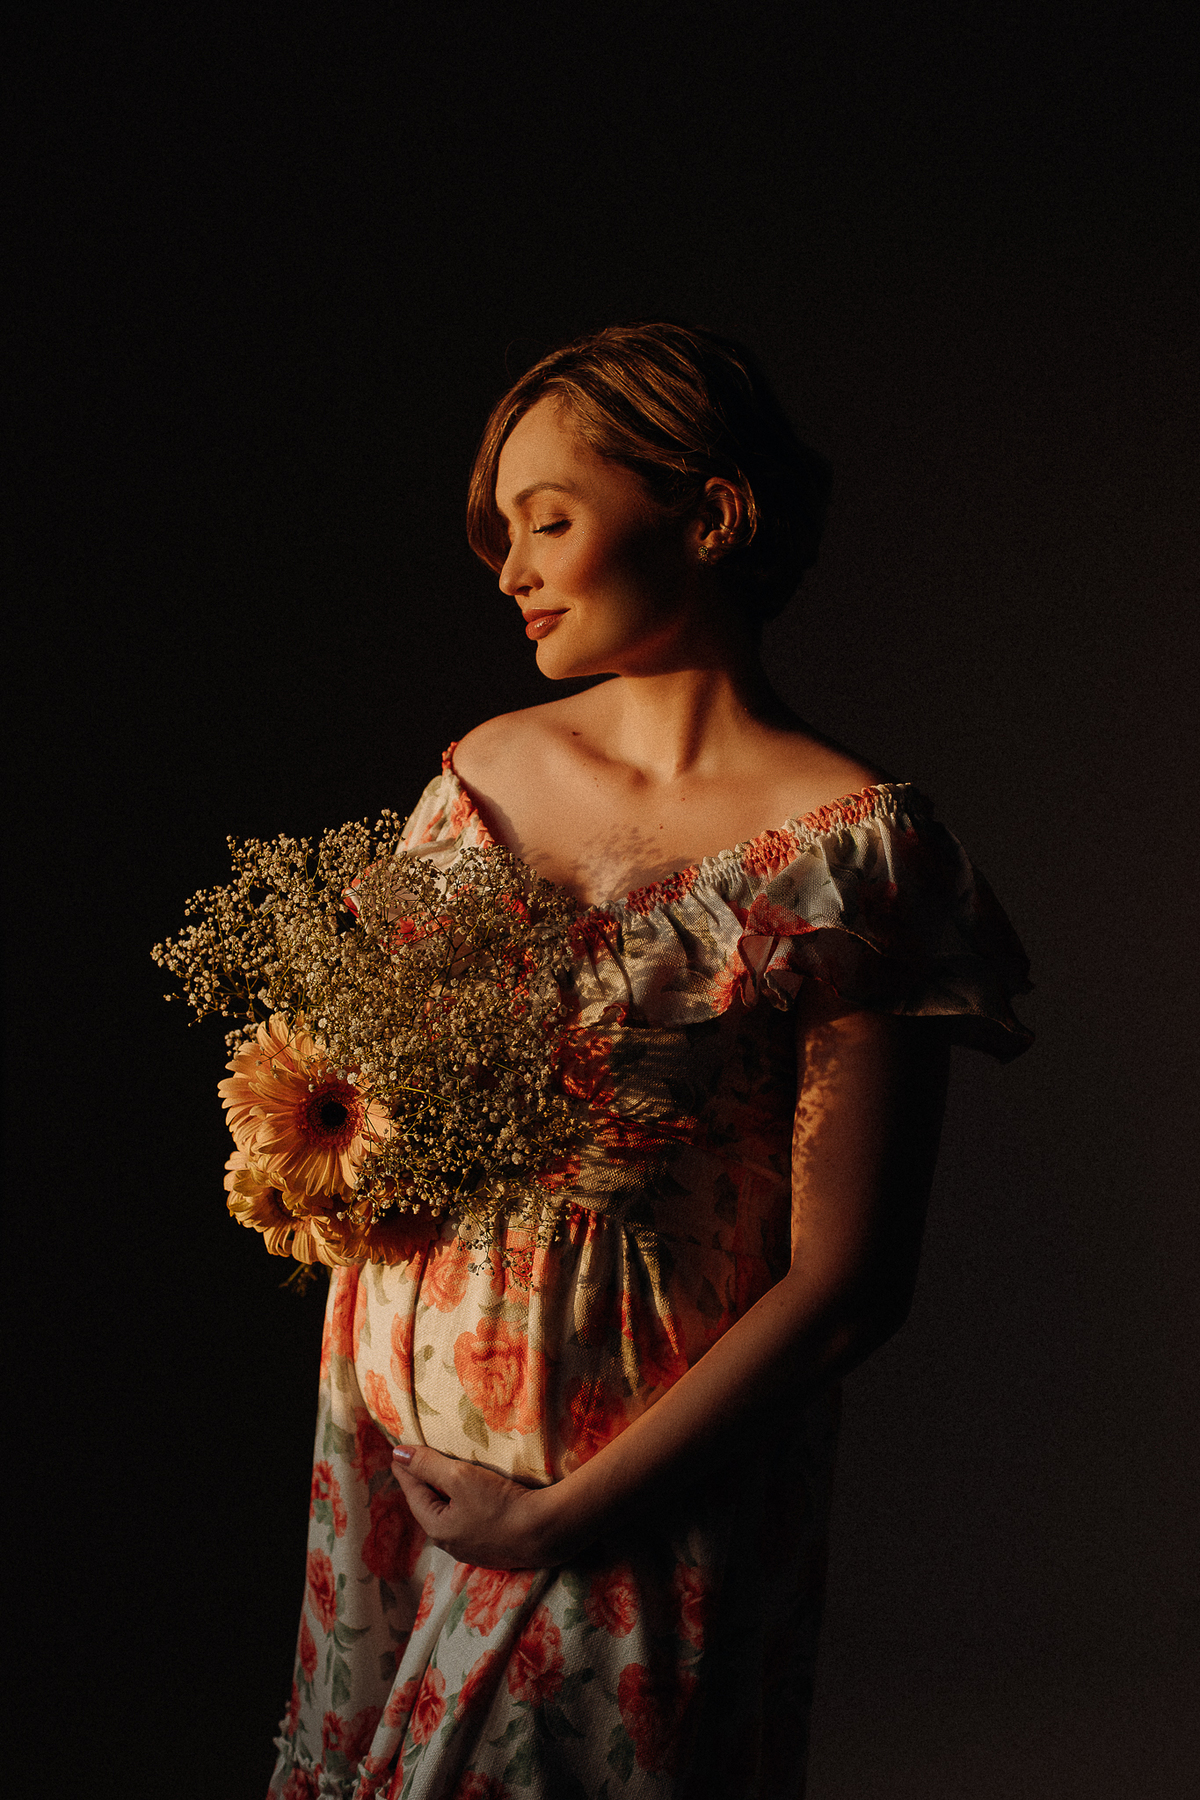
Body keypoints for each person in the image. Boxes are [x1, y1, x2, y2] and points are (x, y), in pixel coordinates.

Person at [267, 322, 1032, 1800]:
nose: (512, 570)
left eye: (549, 519)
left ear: (713, 514)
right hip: (391, 1498)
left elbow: (848, 1285)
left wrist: (559, 1520)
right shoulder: (482, 779)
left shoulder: (851, 857)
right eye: (503, 532)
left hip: (632, 1512)